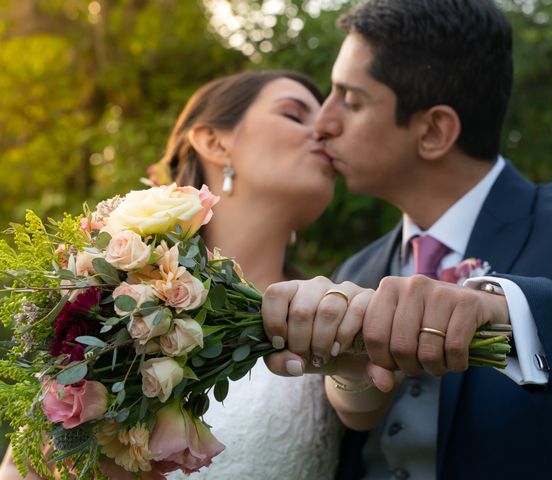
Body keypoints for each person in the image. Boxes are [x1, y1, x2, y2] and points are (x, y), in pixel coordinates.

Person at [261, 1, 552, 479]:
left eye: (352, 101)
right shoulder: (354, 273)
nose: (323, 124)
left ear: (435, 131)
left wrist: (502, 307)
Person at [0, 70, 343, 479]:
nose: (324, 131)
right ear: (215, 142)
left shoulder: (332, 308)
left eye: (326, 122)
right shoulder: (113, 300)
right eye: (294, 114)